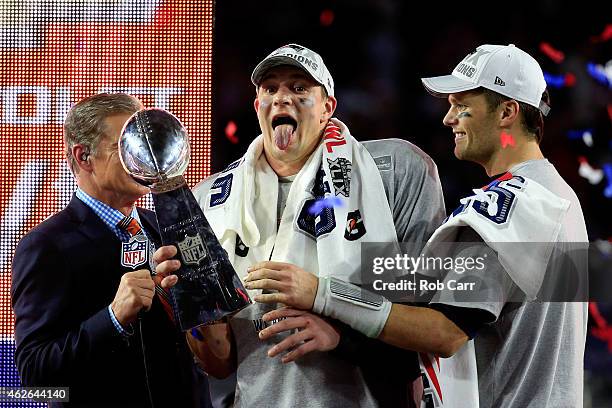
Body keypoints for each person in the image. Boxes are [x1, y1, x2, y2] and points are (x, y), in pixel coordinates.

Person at [260, 43, 589, 407]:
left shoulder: (513, 205)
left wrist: (323, 294)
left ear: (507, 112)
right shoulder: (560, 197)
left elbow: (444, 333)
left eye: (462, 106)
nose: (449, 119)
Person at [154, 43, 446, 407]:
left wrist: (341, 331)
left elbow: (435, 326)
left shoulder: (396, 170)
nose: (281, 98)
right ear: (257, 106)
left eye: (298, 88)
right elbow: (221, 363)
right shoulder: (210, 199)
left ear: (328, 107)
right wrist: (187, 296)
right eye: (270, 89)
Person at [11, 93, 211, 408]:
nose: (142, 159)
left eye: (142, 147)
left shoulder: (169, 228)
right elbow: (35, 375)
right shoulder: (46, 246)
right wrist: (113, 317)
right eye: (125, 147)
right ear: (83, 157)